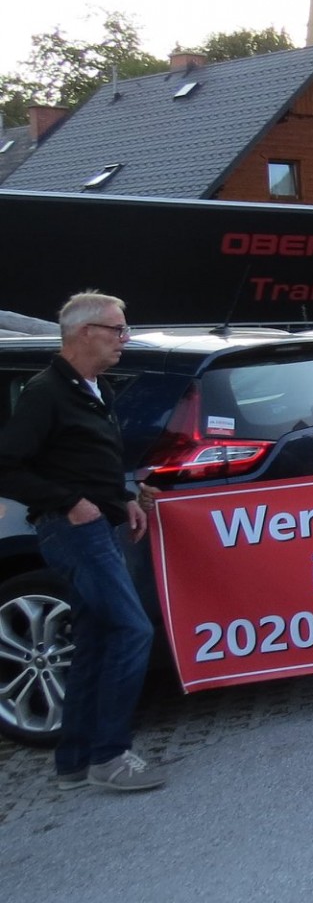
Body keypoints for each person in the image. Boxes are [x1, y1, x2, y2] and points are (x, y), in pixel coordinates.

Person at [0, 292, 163, 792]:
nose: (124, 339)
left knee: (95, 638)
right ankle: (110, 755)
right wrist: (70, 502)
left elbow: (97, 462)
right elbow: (8, 464)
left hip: (101, 525)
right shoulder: (45, 392)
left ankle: (73, 760)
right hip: (72, 531)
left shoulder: (97, 390)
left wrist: (125, 499)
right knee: (132, 630)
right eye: (117, 330)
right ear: (85, 332)